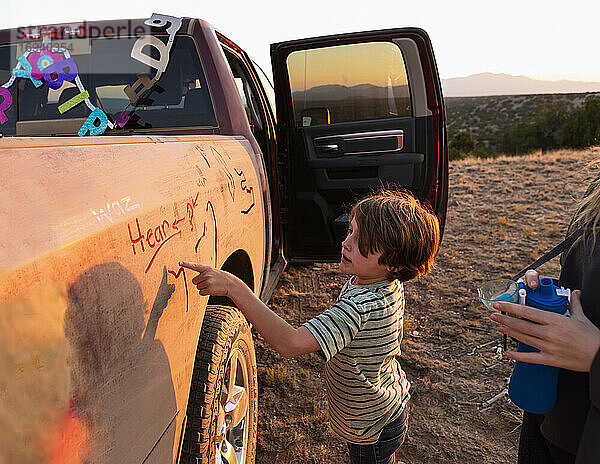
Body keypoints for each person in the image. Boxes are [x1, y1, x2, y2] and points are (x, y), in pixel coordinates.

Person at [180, 189, 440, 464]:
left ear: (395, 264)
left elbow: (290, 343)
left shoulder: (360, 309)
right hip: (386, 404)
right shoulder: (382, 281)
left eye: (362, 242)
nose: (347, 243)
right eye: (350, 231)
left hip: (371, 425)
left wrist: (234, 286)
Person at [490, 175, 600, 464]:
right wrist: (541, 301)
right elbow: (583, 286)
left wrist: (594, 355)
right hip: (549, 405)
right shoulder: (596, 190)